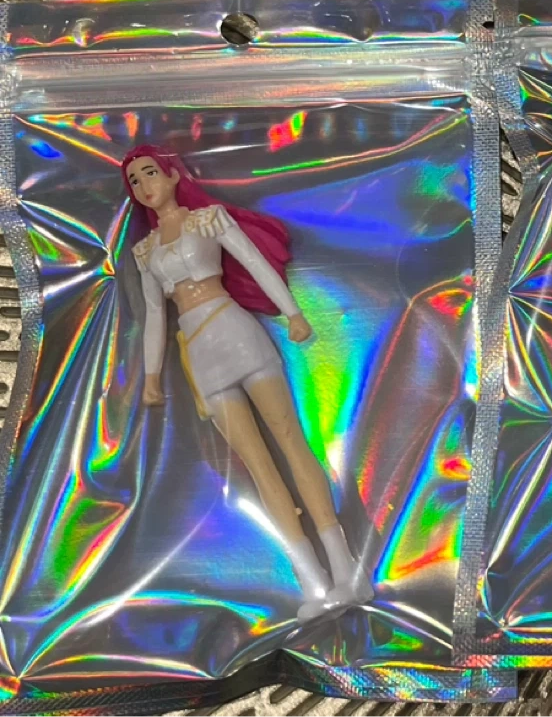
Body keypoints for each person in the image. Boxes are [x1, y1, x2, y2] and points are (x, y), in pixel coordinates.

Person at [123, 145, 373, 619]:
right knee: (258, 466)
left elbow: (254, 262)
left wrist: (292, 313)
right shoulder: (145, 251)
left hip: (235, 330)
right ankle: (312, 580)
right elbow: (156, 314)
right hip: (199, 351)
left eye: (150, 172)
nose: (144, 185)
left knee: (291, 442)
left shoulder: (208, 219)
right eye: (134, 180)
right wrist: (152, 375)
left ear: (173, 175)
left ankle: (346, 568)